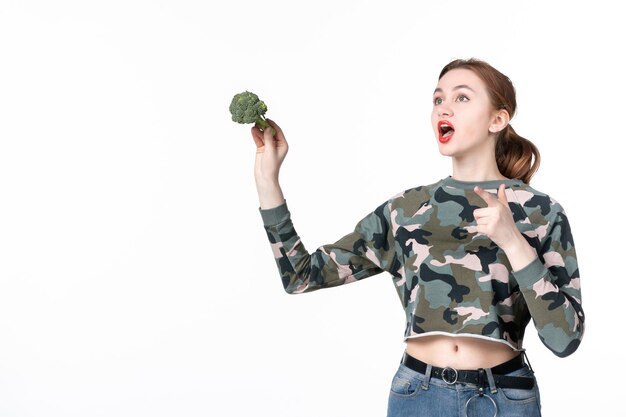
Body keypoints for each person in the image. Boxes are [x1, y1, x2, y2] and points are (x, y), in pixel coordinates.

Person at [250, 58, 584, 417]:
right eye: (438, 99)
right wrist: (268, 181)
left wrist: (513, 242)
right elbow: (300, 276)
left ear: (497, 119)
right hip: (419, 396)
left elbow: (564, 340)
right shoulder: (407, 210)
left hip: (505, 397)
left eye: (462, 98)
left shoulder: (541, 211)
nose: (444, 108)